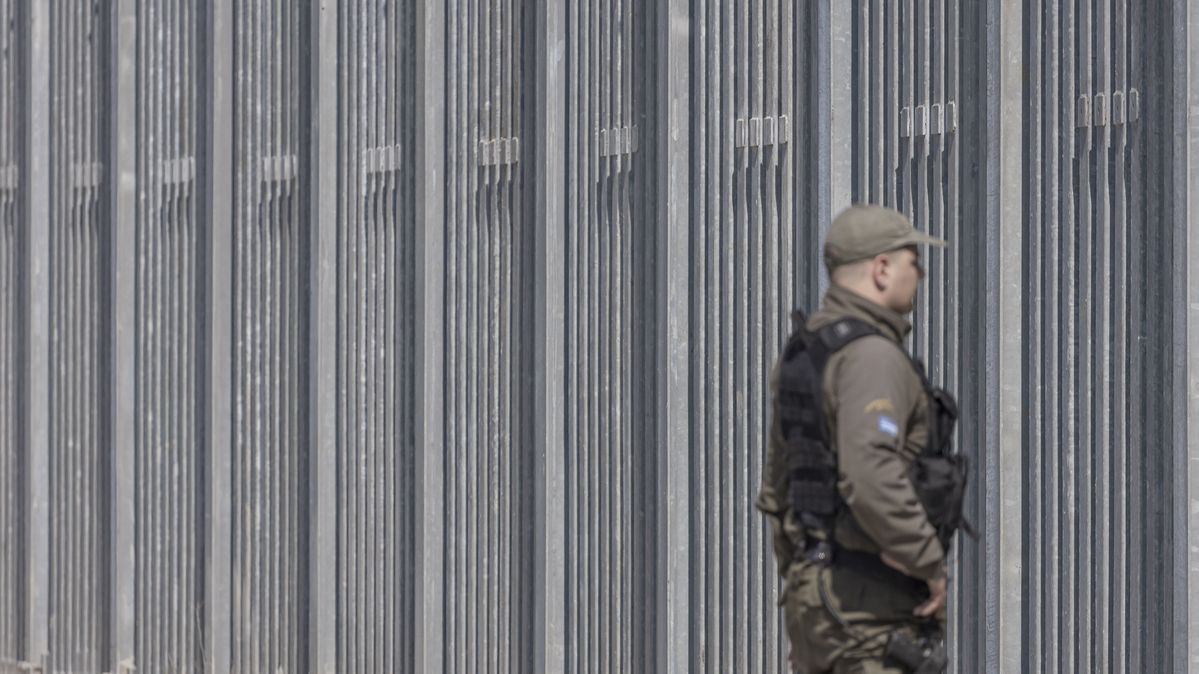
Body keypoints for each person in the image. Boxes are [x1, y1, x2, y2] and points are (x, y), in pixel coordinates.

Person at [757, 204, 968, 673]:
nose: (921, 273)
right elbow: (870, 474)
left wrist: (802, 596)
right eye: (914, 260)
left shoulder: (806, 352)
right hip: (868, 606)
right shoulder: (871, 357)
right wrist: (929, 562)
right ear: (881, 269)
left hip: (819, 596)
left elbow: (779, 491)